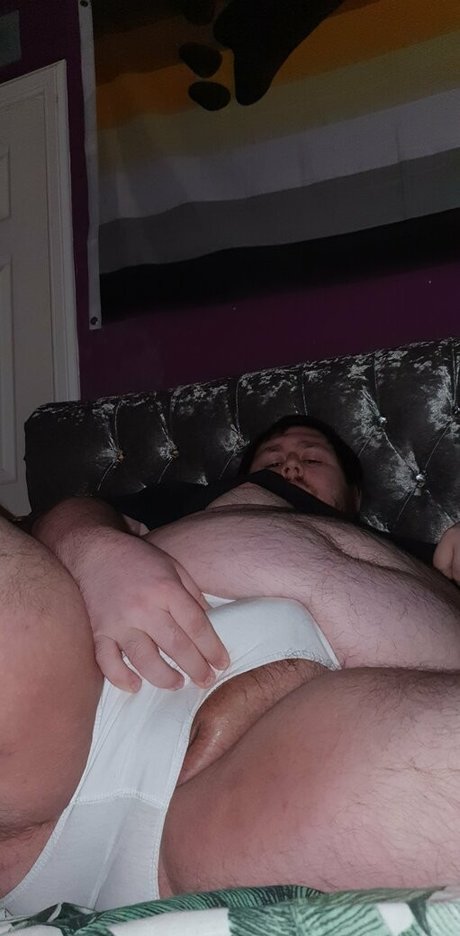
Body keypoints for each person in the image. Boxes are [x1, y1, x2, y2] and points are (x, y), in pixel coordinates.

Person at [2, 416, 460, 913]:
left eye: (312, 457)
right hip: (74, 684)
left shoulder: (426, 552)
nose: (290, 463)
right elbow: (72, 509)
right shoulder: (190, 500)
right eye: (272, 456)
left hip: (269, 780)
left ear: (355, 493)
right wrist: (91, 545)